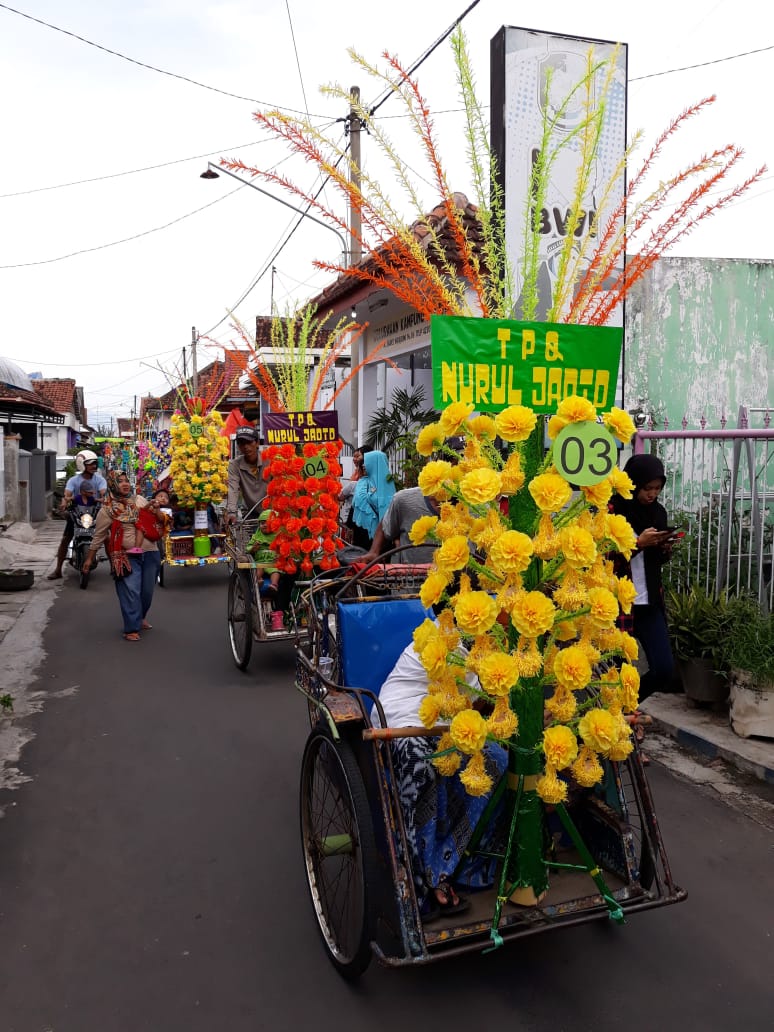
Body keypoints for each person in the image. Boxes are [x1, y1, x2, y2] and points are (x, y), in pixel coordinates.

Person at [375, 622, 507, 919]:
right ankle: (417, 880)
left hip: (450, 726)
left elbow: (479, 701)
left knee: (498, 760)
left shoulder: (484, 645)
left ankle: (450, 867)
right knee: (423, 766)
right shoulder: (440, 639)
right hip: (403, 723)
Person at [609, 453, 677, 701]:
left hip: (649, 602)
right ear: (635, 483)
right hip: (616, 604)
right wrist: (638, 543)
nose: (653, 494)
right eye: (648, 488)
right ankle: (612, 721)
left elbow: (657, 561)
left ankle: (625, 707)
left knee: (664, 669)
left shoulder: (658, 513)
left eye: (657, 489)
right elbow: (604, 556)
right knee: (614, 672)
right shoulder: (614, 510)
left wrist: (663, 546)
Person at [82, 471, 162, 641]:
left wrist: (157, 509)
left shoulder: (139, 500)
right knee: (131, 591)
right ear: (112, 484)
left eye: (126, 481)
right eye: (120, 481)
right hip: (126, 556)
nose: (125, 484)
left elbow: (153, 519)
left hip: (150, 552)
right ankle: (131, 627)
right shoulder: (107, 510)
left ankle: (140, 617)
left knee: (147, 592)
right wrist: (89, 558)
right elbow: (99, 535)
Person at [48, 449, 107, 580]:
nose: (94, 466)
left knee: (107, 537)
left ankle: (115, 567)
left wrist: (105, 498)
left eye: (95, 463)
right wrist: (64, 503)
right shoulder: (73, 480)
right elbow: (67, 495)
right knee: (65, 540)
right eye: (90, 463)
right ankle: (58, 570)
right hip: (77, 513)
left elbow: (103, 492)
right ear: (82, 464)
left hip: (95, 513)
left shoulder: (100, 480)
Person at [350, 449, 395, 552]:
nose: (364, 465)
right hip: (361, 533)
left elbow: (389, 513)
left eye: (367, 462)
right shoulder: (362, 482)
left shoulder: (387, 485)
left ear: (376, 463)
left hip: (379, 538)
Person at [224, 425, 266, 525]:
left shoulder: (269, 459)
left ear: (257, 443)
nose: (246, 446)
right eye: (241, 443)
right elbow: (233, 488)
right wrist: (231, 512)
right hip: (251, 512)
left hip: (273, 512)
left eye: (249, 442)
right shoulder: (234, 465)